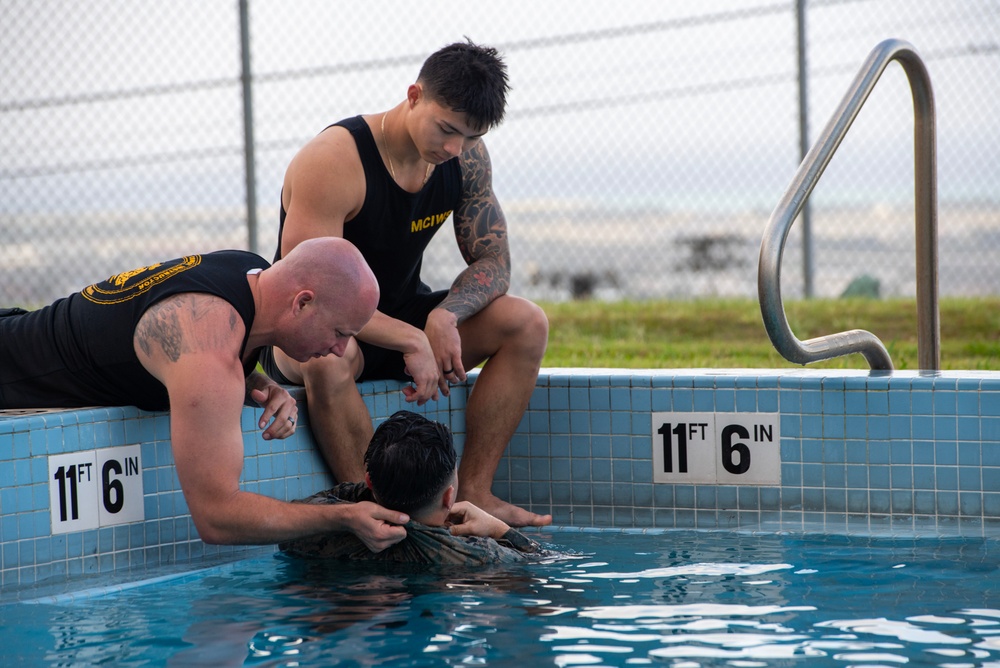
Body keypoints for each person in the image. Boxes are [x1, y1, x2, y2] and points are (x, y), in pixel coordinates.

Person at [259, 39, 552, 528]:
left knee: (524, 322)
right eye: (447, 130)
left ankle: (474, 494)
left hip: (400, 316)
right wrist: (412, 337)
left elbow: (493, 261)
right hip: (309, 329)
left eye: (470, 137)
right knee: (330, 362)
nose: (454, 149)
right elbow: (307, 293)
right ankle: (380, 515)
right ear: (414, 95)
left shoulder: (465, 159)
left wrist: (444, 315)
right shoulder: (333, 161)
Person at [0, 237, 411, 551]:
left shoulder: (251, 274)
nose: (340, 350)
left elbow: (188, 352)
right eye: (339, 333)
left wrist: (258, 380)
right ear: (302, 302)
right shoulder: (208, 351)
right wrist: (345, 517)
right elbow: (217, 518)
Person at [279, 411, 546, 565]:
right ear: (449, 495)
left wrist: (385, 485)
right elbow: (543, 562)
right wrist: (499, 528)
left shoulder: (314, 536)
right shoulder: (477, 554)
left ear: (369, 481)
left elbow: (294, 519)